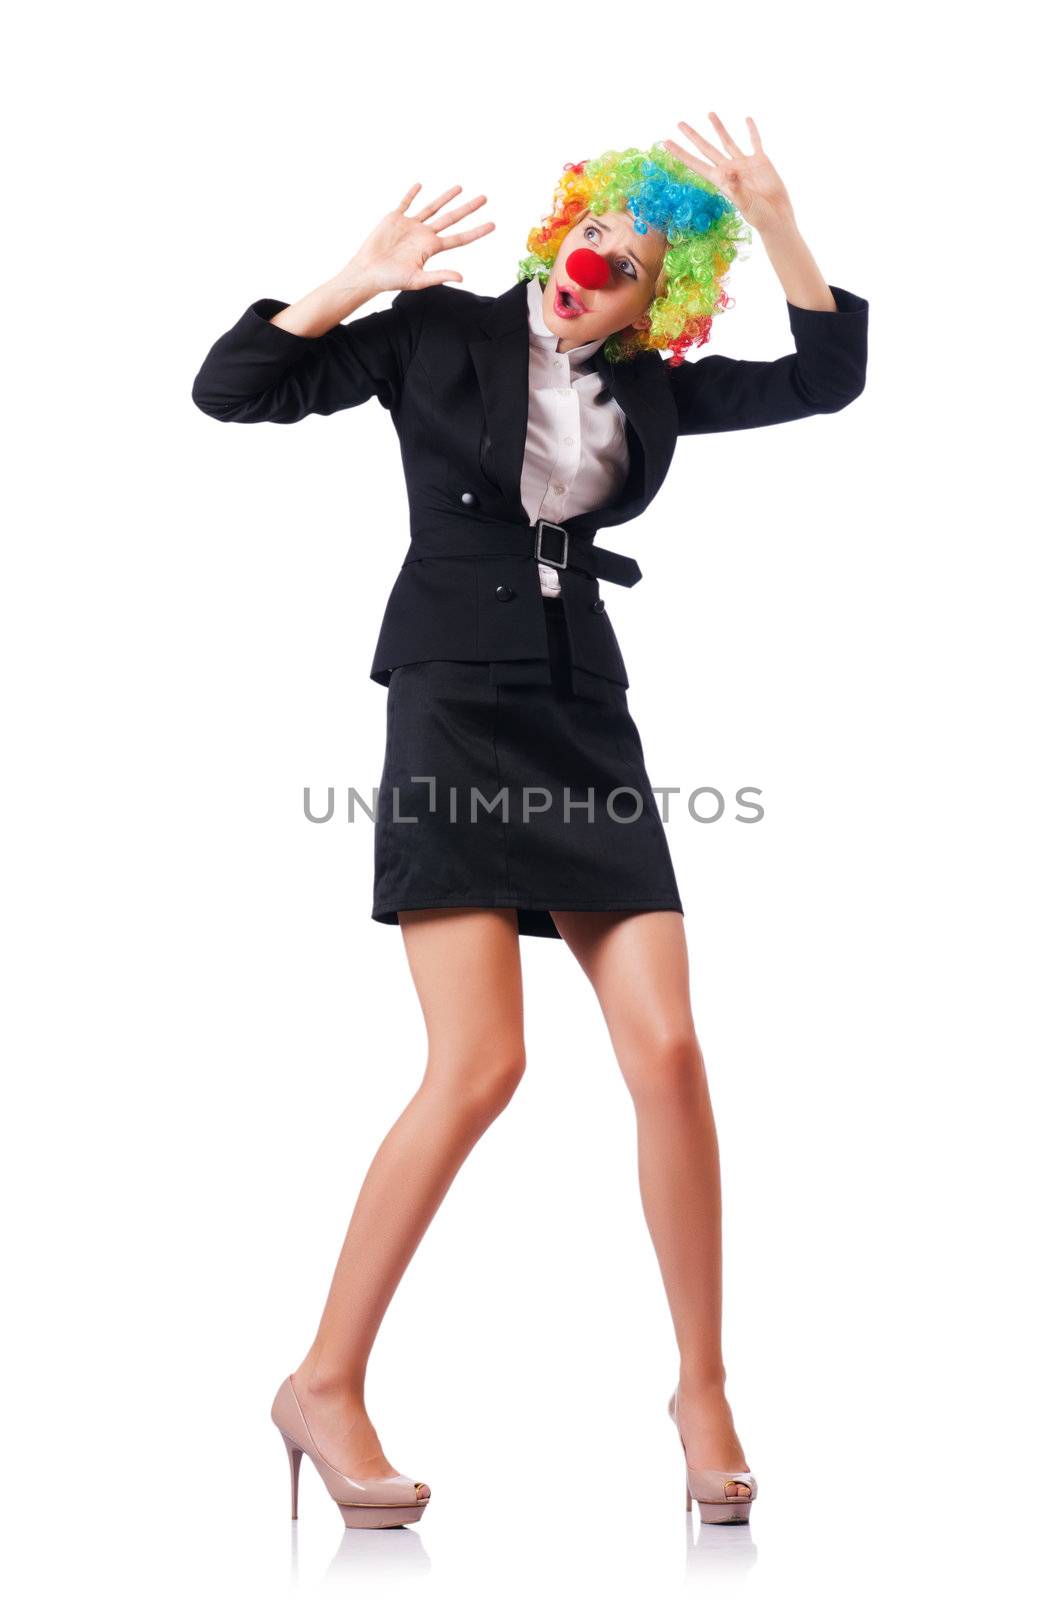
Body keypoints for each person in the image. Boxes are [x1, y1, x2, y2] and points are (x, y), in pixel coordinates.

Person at [191, 114, 869, 1530]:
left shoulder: (656, 395)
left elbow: (828, 373)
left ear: (651, 304)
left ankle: (701, 1389)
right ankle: (321, 1382)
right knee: (480, 1067)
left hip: (582, 718)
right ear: (560, 233)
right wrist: (353, 278)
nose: (592, 274)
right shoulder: (434, 334)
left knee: (671, 1048)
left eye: (626, 273)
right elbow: (233, 388)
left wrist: (781, 217)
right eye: (587, 245)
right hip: (450, 704)